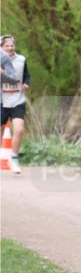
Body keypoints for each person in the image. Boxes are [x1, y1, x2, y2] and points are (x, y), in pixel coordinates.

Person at [1, 35, 30, 174]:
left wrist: (26, 83)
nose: (10, 48)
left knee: (19, 130)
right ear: (1, 47)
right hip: (2, 101)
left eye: (12, 45)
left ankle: (13, 158)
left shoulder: (21, 59)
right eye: (6, 45)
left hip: (17, 99)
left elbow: (26, 75)